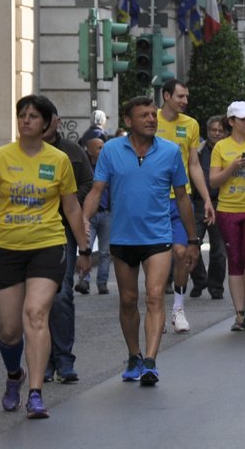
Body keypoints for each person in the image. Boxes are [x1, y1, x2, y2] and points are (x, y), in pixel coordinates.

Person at [0, 95, 92, 420]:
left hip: (47, 245)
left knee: (35, 314)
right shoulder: (1, 158)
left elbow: (72, 207)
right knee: (9, 330)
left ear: (47, 123)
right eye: (22, 115)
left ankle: (36, 392)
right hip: (6, 249)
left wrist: (84, 248)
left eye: (34, 116)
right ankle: (14, 377)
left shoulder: (59, 160)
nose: (26, 121)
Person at [80, 96, 200, 386]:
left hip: (158, 236)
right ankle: (134, 355)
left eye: (153, 114)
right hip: (123, 238)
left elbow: (182, 197)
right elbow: (97, 191)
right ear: (129, 121)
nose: (150, 119)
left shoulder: (171, 152)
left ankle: (150, 360)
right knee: (128, 299)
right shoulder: (110, 150)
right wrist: (83, 222)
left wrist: (193, 238)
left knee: (155, 295)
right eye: (144, 115)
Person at [42, 110, 94, 384]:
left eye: (39, 116)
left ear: (54, 120)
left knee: (61, 294)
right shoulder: (16, 154)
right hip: (28, 232)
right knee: (39, 300)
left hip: (62, 230)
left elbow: (87, 183)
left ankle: (63, 359)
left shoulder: (72, 151)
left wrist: (69, 200)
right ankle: (43, 359)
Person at [209, 101, 245, 331]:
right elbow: (213, 181)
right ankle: (239, 314)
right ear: (231, 121)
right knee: (234, 259)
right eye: (243, 119)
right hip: (228, 209)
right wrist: (233, 166)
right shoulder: (220, 147)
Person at [157, 80, 209, 334]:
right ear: (166, 96)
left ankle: (178, 308)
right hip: (153, 200)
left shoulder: (191, 124)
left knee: (182, 253)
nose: (185, 101)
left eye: (186, 96)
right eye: (180, 96)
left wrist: (206, 198)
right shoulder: (149, 120)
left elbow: (194, 165)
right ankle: (156, 310)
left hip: (181, 198)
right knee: (156, 258)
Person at [189, 115, 228, 301]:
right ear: (208, 131)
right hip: (198, 204)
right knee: (192, 243)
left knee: (219, 250)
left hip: (221, 203)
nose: (217, 133)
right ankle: (200, 280)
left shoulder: (229, 151)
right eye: (214, 130)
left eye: (220, 130)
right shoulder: (198, 151)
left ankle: (216, 287)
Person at [77, 135, 111, 295]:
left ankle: (102, 283)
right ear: (89, 151)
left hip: (106, 214)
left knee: (105, 251)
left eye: (103, 147)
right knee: (86, 247)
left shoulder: (110, 167)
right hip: (89, 214)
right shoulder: (85, 170)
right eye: (98, 147)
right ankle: (84, 281)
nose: (102, 150)